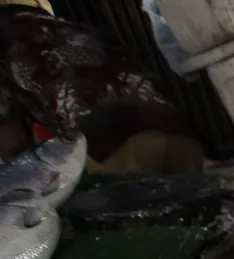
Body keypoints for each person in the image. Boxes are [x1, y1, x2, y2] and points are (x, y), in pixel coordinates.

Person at [0, 1, 203, 174]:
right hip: (178, 134)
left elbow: (11, 144)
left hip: (114, 151)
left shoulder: (6, 43)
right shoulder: (61, 29)